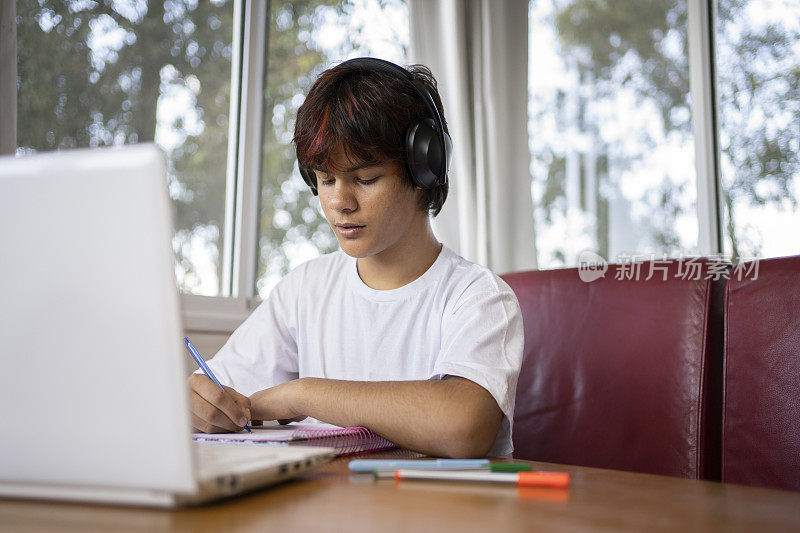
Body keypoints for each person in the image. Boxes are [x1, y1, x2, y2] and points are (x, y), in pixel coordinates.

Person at [188, 58, 524, 458]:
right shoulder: (305, 290)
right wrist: (201, 404)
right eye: (325, 179)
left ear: (424, 169)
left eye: (365, 179)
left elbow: (462, 427)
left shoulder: (479, 297)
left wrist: (303, 393)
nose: (338, 203)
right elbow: (215, 392)